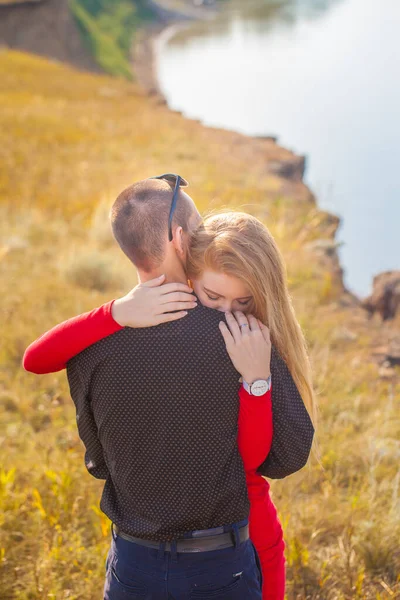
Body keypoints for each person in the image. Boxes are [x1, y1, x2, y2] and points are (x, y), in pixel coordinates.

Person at [24, 175, 315, 599]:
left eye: (241, 301)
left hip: (133, 559)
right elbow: (273, 458)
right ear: (181, 240)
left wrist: (115, 314)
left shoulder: (96, 344)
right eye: (197, 232)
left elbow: (37, 360)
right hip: (224, 557)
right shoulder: (240, 339)